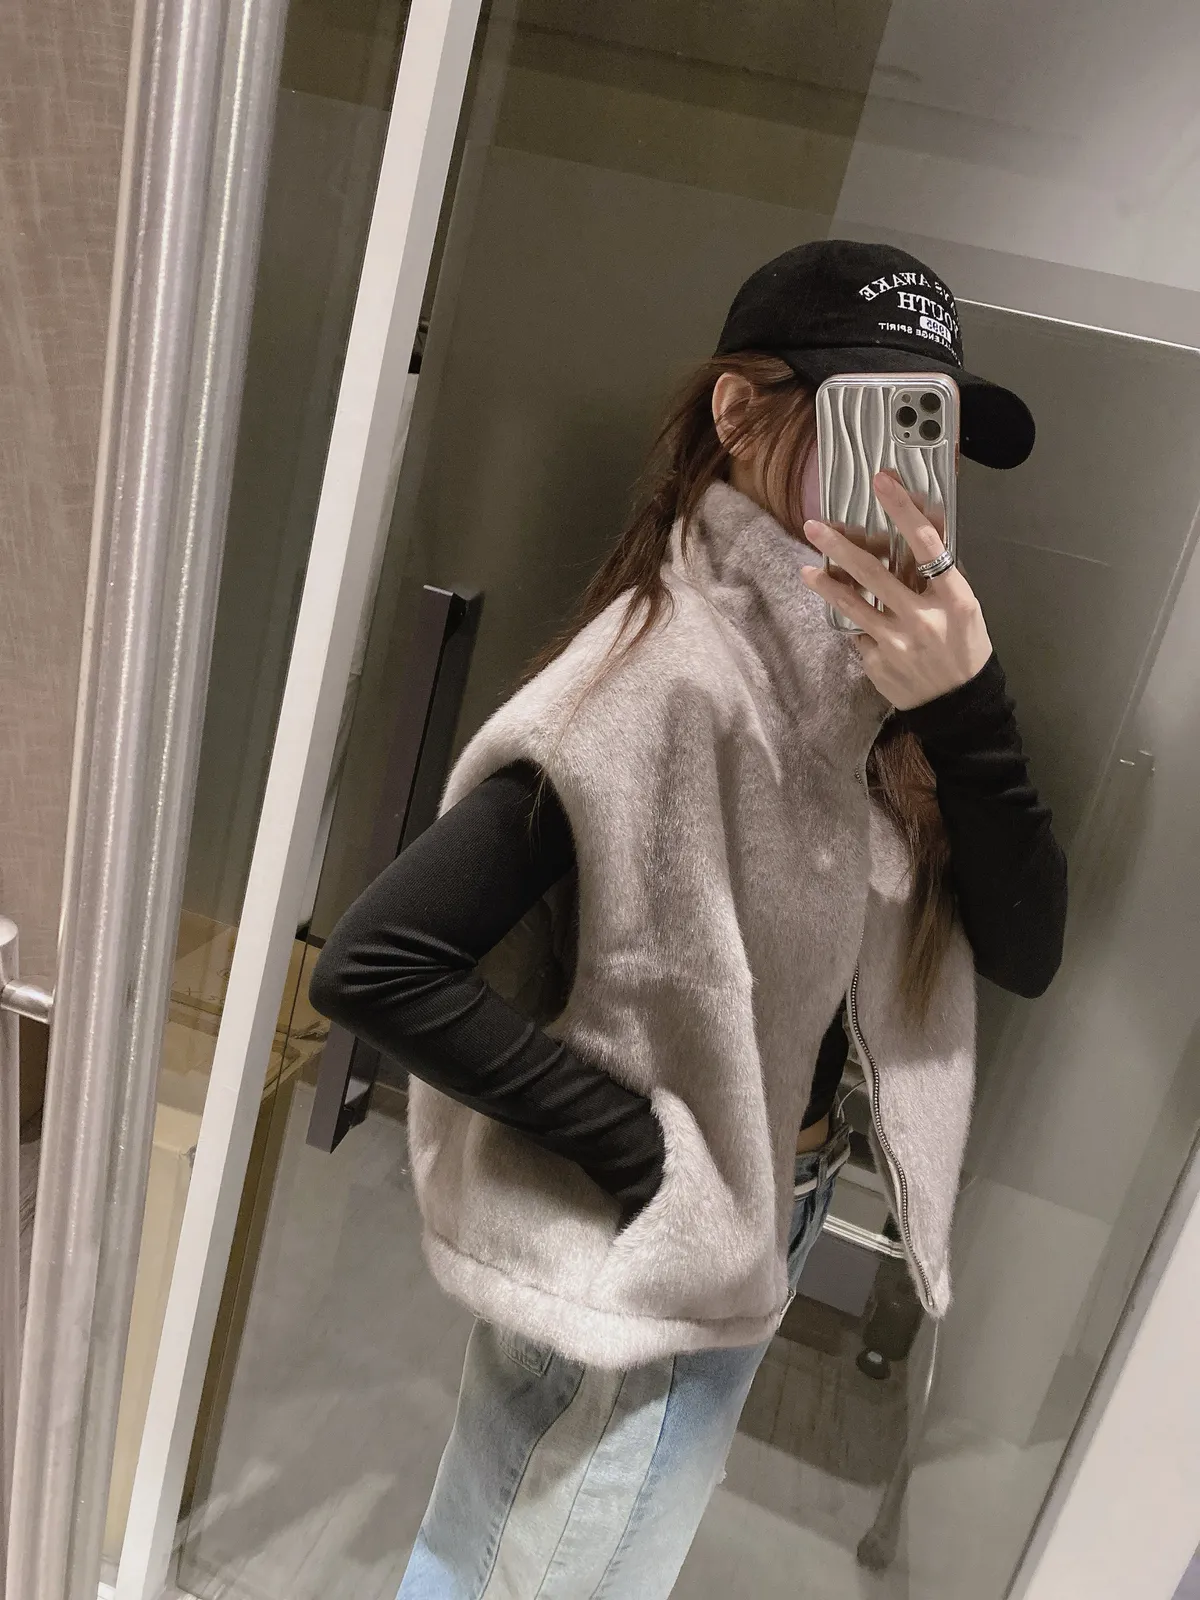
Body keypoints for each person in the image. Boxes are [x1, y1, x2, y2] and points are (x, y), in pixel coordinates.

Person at [309, 240, 1067, 1599]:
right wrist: (664, 1165)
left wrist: (968, 708)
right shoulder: (670, 681)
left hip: (746, 1204)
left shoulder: (869, 691)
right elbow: (378, 964)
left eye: (931, 433)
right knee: (553, 1568)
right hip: (670, 1229)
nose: (907, 480)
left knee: (487, 1539)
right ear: (738, 414)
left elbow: (1027, 946)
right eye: (872, 422)